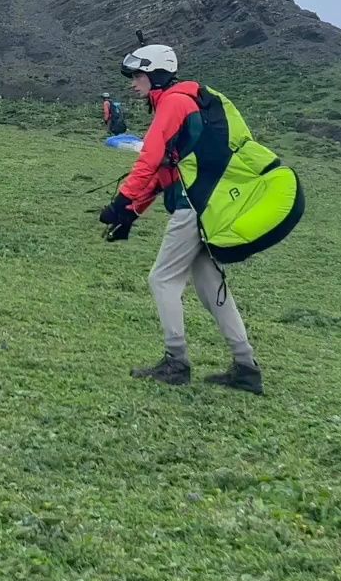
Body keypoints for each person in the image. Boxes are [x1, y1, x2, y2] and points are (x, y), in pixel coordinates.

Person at [97, 44, 263, 394]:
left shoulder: (173, 102)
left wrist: (122, 201)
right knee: (208, 283)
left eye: (138, 75)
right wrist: (131, 212)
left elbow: (150, 159)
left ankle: (177, 362)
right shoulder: (187, 101)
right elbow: (165, 170)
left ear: (155, 73)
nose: (133, 84)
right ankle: (246, 367)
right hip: (208, 205)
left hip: (193, 205)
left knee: (162, 280)